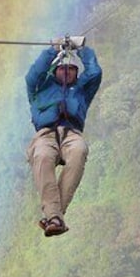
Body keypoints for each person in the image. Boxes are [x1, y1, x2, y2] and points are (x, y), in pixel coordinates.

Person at [25, 36, 102, 237]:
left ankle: (53, 217)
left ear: (77, 72)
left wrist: (82, 50)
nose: (67, 72)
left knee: (79, 151)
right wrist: (53, 49)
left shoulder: (82, 90)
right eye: (62, 68)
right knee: (42, 156)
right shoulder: (40, 88)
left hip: (71, 133)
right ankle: (55, 217)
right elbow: (33, 75)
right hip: (45, 134)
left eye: (71, 69)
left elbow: (95, 72)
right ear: (54, 70)